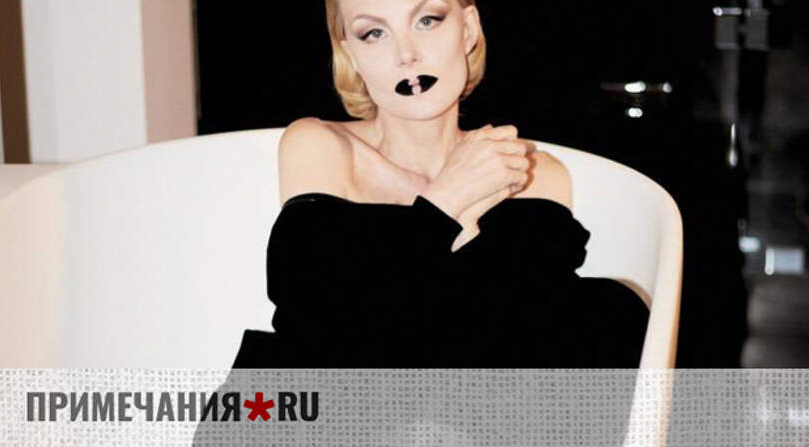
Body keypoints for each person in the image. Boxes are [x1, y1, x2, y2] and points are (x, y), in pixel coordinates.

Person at [230, 0, 649, 368]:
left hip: (464, 414)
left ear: (468, 29)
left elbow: (526, 350)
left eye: (427, 20)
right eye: (373, 33)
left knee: (613, 308)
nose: (406, 55)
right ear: (350, 54)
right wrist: (446, 201)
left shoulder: (531, 174)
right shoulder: (321, 146)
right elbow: (314, 325)